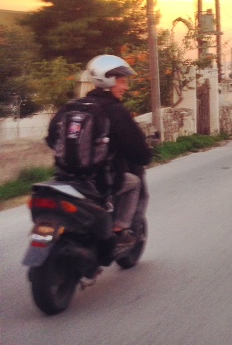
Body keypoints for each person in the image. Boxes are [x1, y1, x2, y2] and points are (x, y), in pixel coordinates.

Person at [46, 55, 153, 248]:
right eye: (122, 81)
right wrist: (145, 156)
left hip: (65, 177)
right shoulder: (115, 111)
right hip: (101, 181)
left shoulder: (72, 106)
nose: (126, 87)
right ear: (109, 80)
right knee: (134, 183)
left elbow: (52, 139)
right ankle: (119, 230)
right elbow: (138, 152)